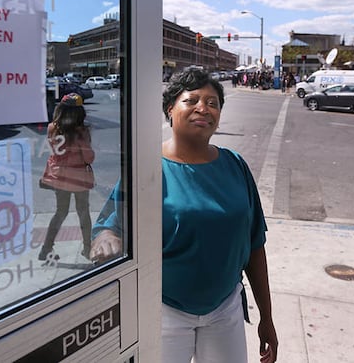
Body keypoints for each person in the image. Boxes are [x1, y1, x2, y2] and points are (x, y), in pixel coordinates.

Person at [91, 69, 278, 362]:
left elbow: (255, 244)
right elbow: (109, 224)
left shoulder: (235, 165)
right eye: (191, 100)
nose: (204, 108)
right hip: (165, 312)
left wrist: (266, 317)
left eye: (213, 102)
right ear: (171, 108)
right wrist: (106, 238)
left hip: (225, 310)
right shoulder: (148, 167)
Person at [38, 93, 95, 261]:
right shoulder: (82, 132)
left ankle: (45, 248)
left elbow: (54, 152)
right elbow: (88, 157)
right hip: (78, 178)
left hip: (59, 176)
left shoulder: (52, 128)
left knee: (60, 212)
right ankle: (87, 248)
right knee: (83, 212)